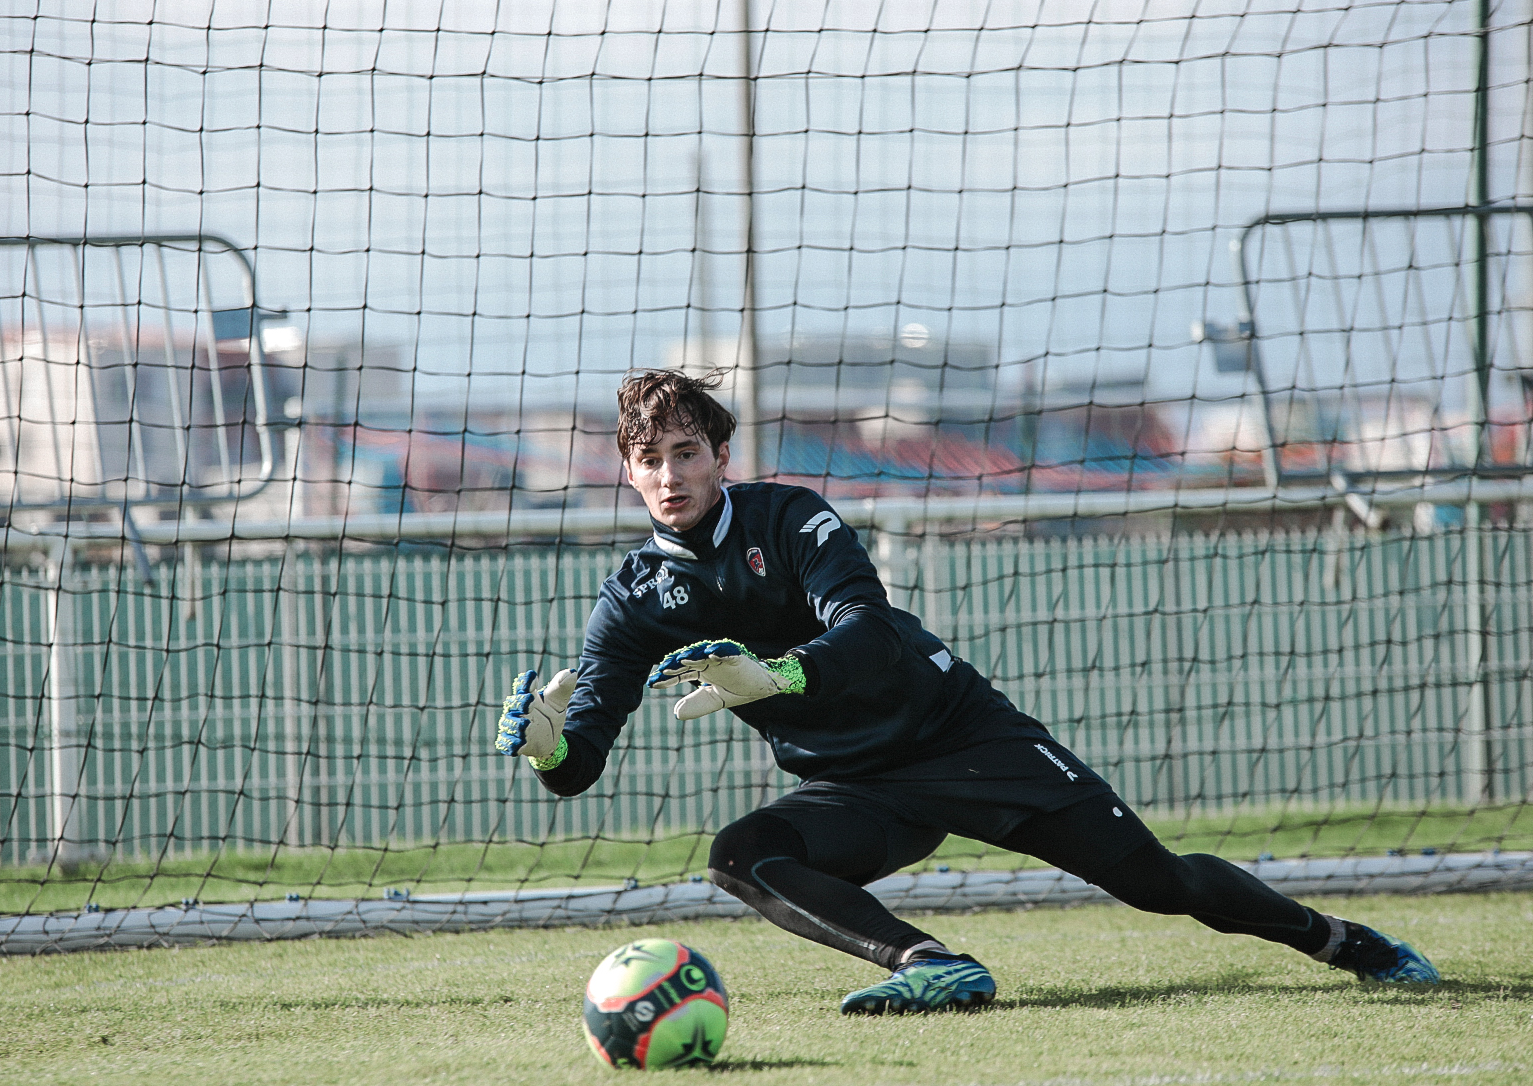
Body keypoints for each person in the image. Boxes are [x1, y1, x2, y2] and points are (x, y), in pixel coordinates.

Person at [496, 369, 1440, 1014]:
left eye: (687, 451)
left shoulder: (789, 516)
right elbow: (582, 762)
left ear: (720, 454)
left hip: (960, 736)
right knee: (743, 854)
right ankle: (931, 965)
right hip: (857, 787)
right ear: (626, 470)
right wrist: (547, 747)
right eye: (651, 458)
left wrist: (776, 674)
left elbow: (865, 632)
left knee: (1156, 883)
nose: (671, 474)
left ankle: (1344, 943)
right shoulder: (631, 596)